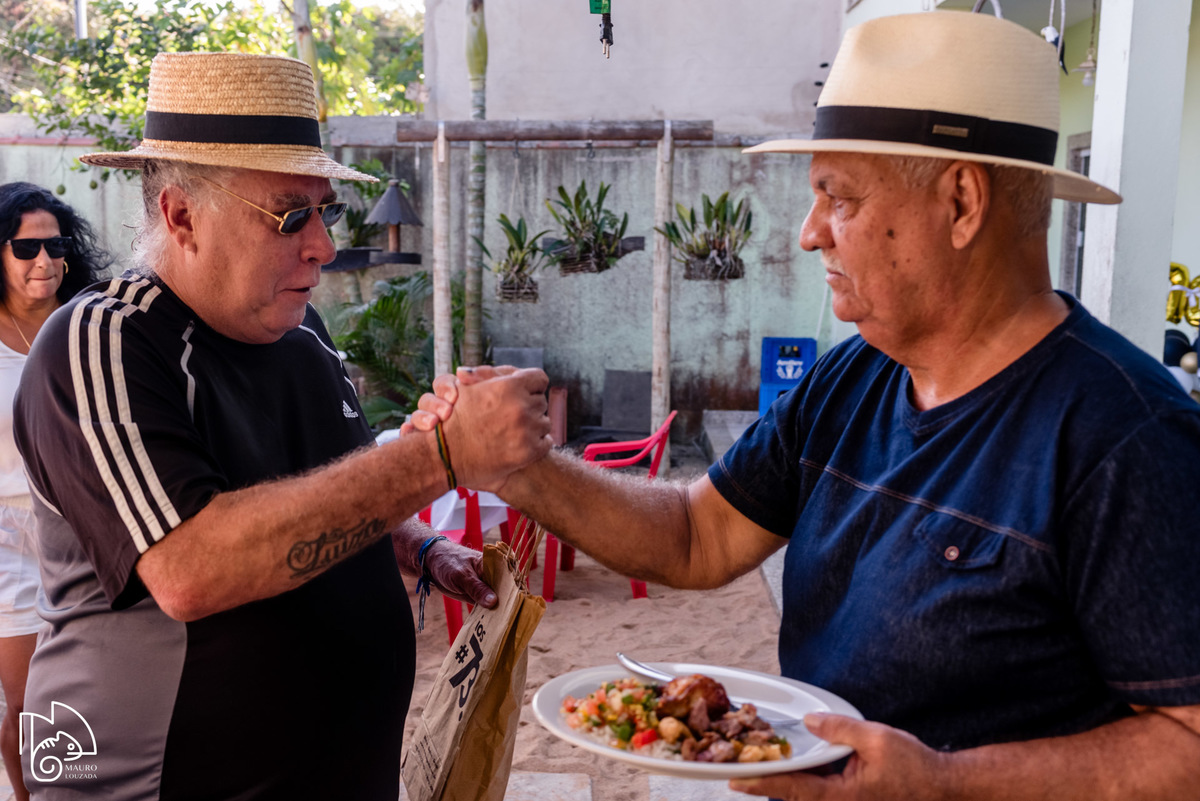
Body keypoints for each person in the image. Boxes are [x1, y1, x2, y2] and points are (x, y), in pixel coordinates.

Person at [413, 12, 1200, 800]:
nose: (808, 232)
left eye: (838, 196)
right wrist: (520, 465)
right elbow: (698, 534)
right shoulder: (852, 378)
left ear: (962, 202)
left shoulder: (1126, 438)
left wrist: (946, 781)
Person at [11, 52, 552, 800]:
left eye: (323, 210)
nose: (324, 245)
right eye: (290, 214)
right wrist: (439, 457)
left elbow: (329, 490)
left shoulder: (302, 333)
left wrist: (421, 545)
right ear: (181, 214)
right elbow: (189, 567)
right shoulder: (104, 339)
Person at [0, 183, 109, 801]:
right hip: (8, 540)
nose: (44, 260)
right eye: (25, 247)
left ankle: (78, 791)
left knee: (80, 691)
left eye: (55, 245)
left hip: (83, 528)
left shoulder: (89, 323)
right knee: (27, 698)